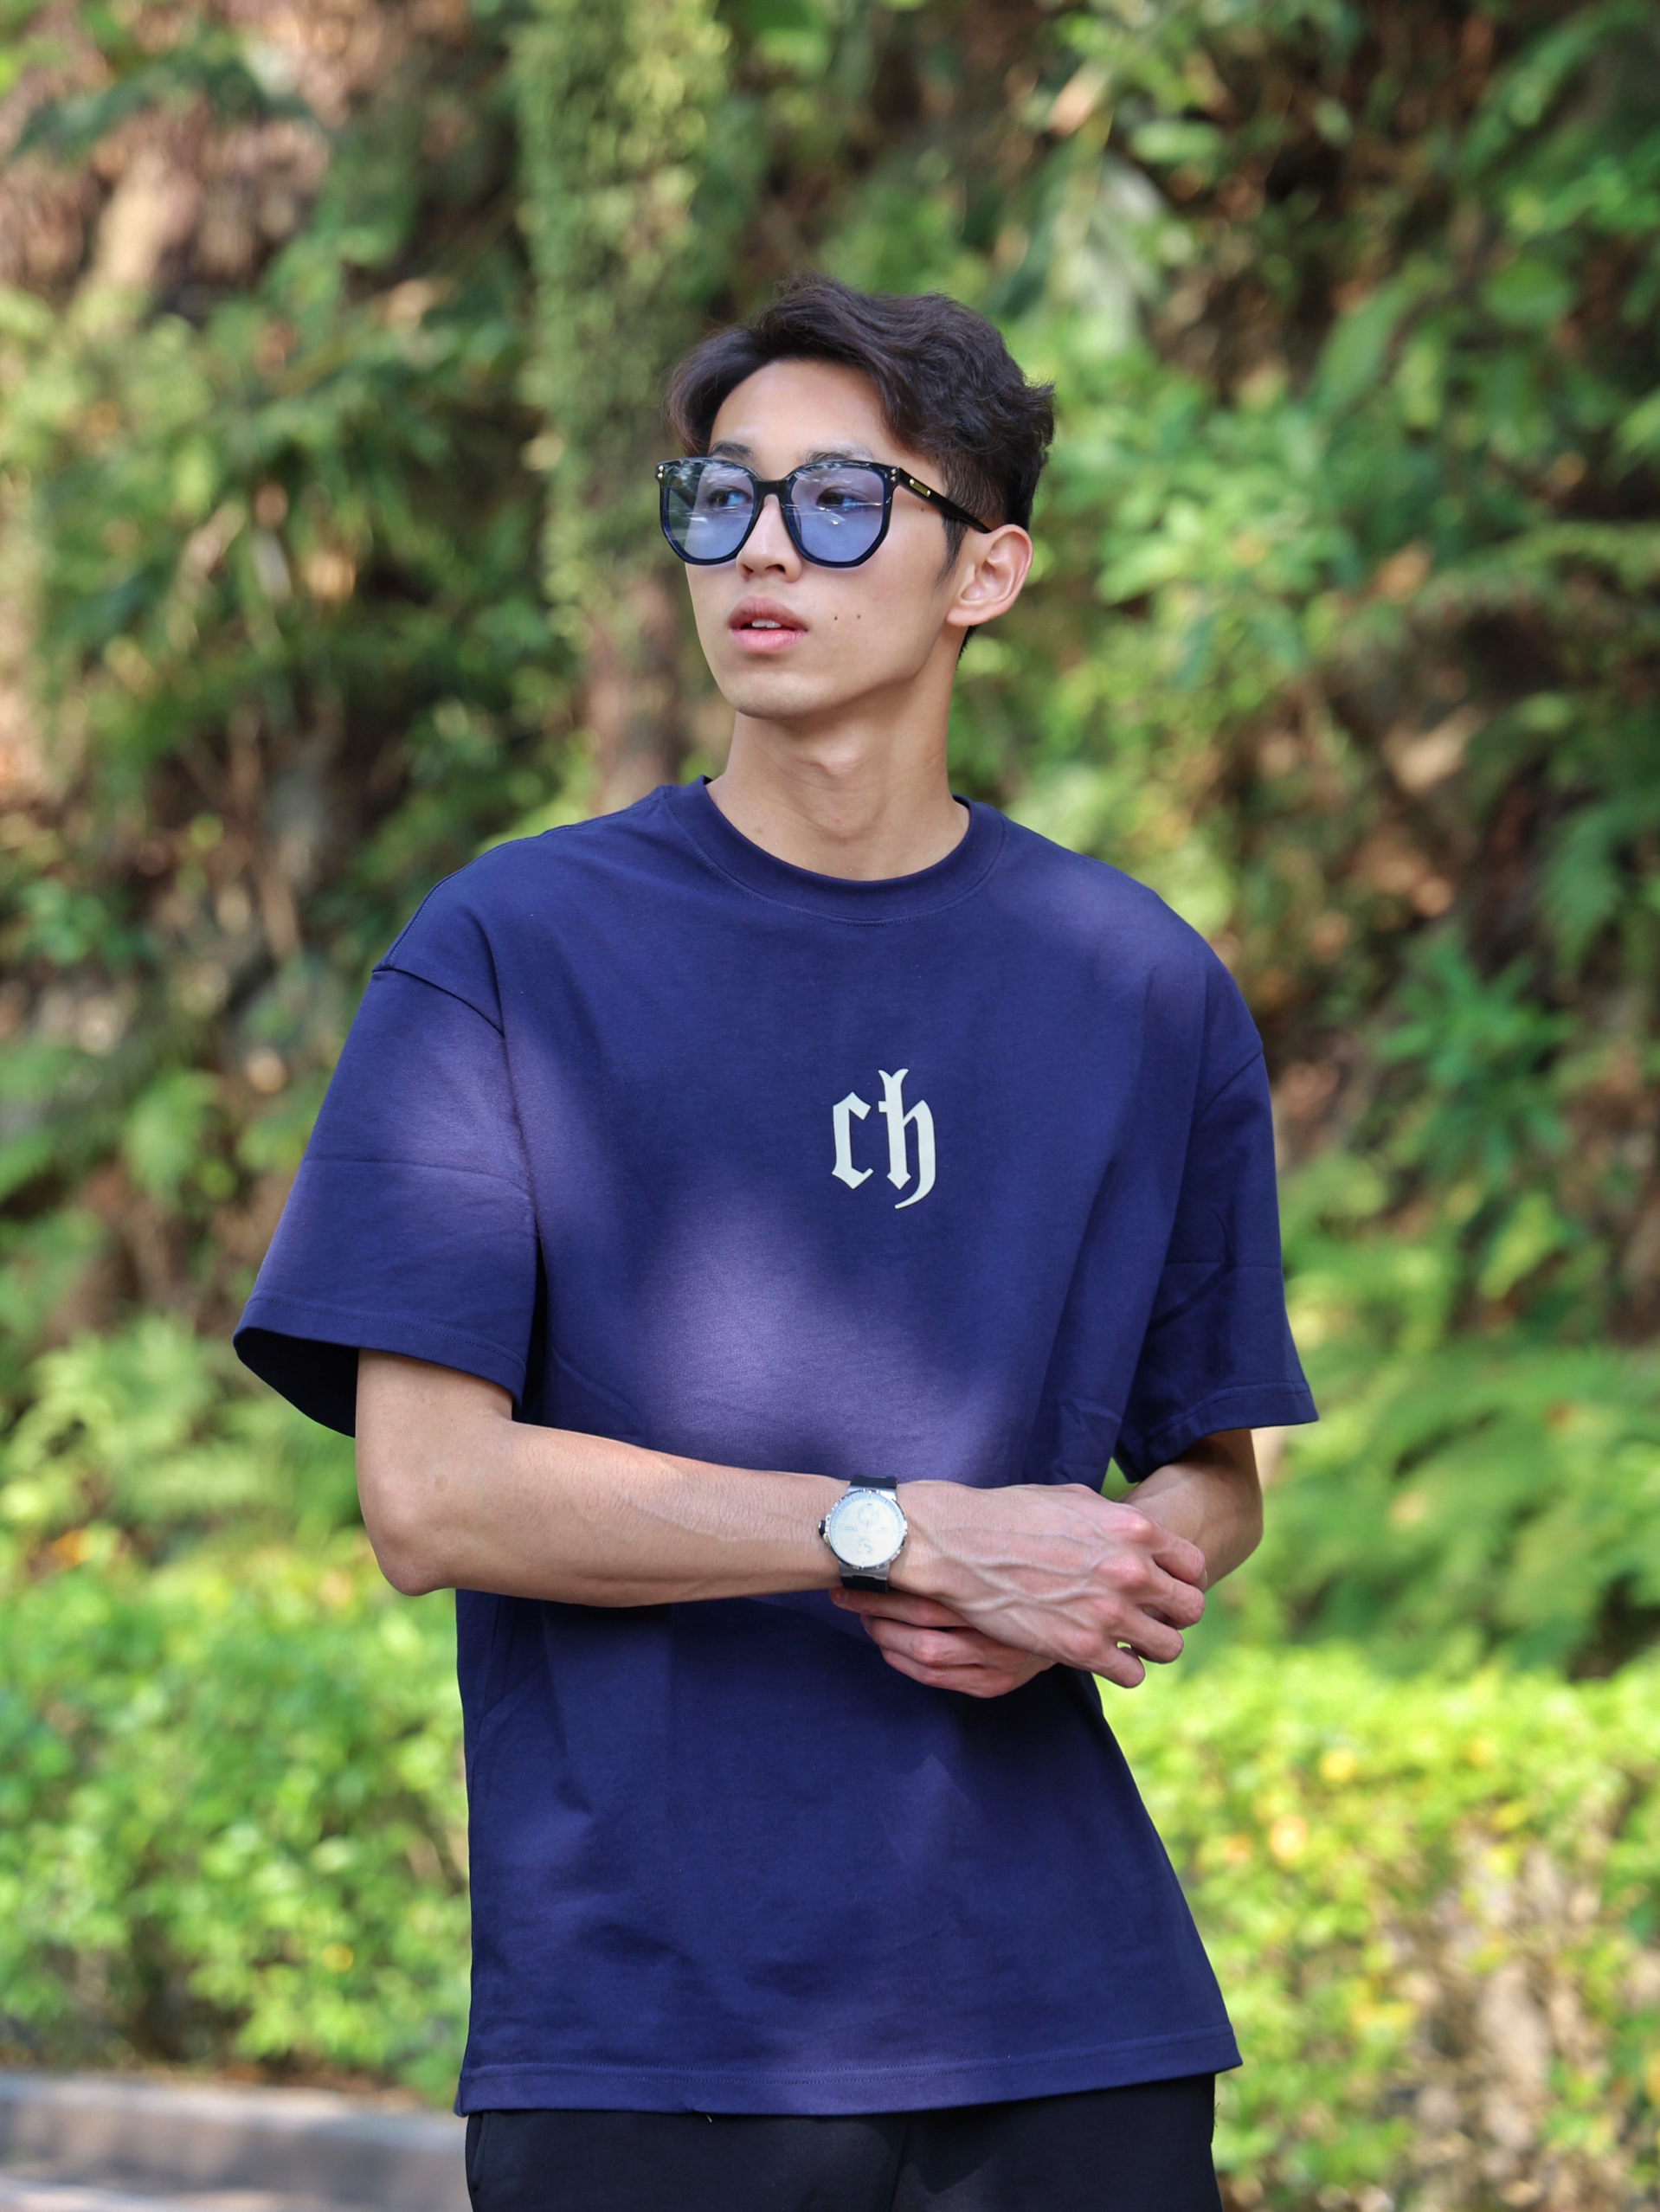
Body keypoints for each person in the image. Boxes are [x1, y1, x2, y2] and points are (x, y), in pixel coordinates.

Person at [236, 274, 1316, 2212]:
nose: (757, 548)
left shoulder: (1136, 981)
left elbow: (1214, 1467)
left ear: (985, 573)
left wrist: (1099, 1569)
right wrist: (894, 1532)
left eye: (835, 502)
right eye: (717, 497)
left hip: (1078, 2027)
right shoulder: (509, 951)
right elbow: (429, 1496)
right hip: (653, 2034)